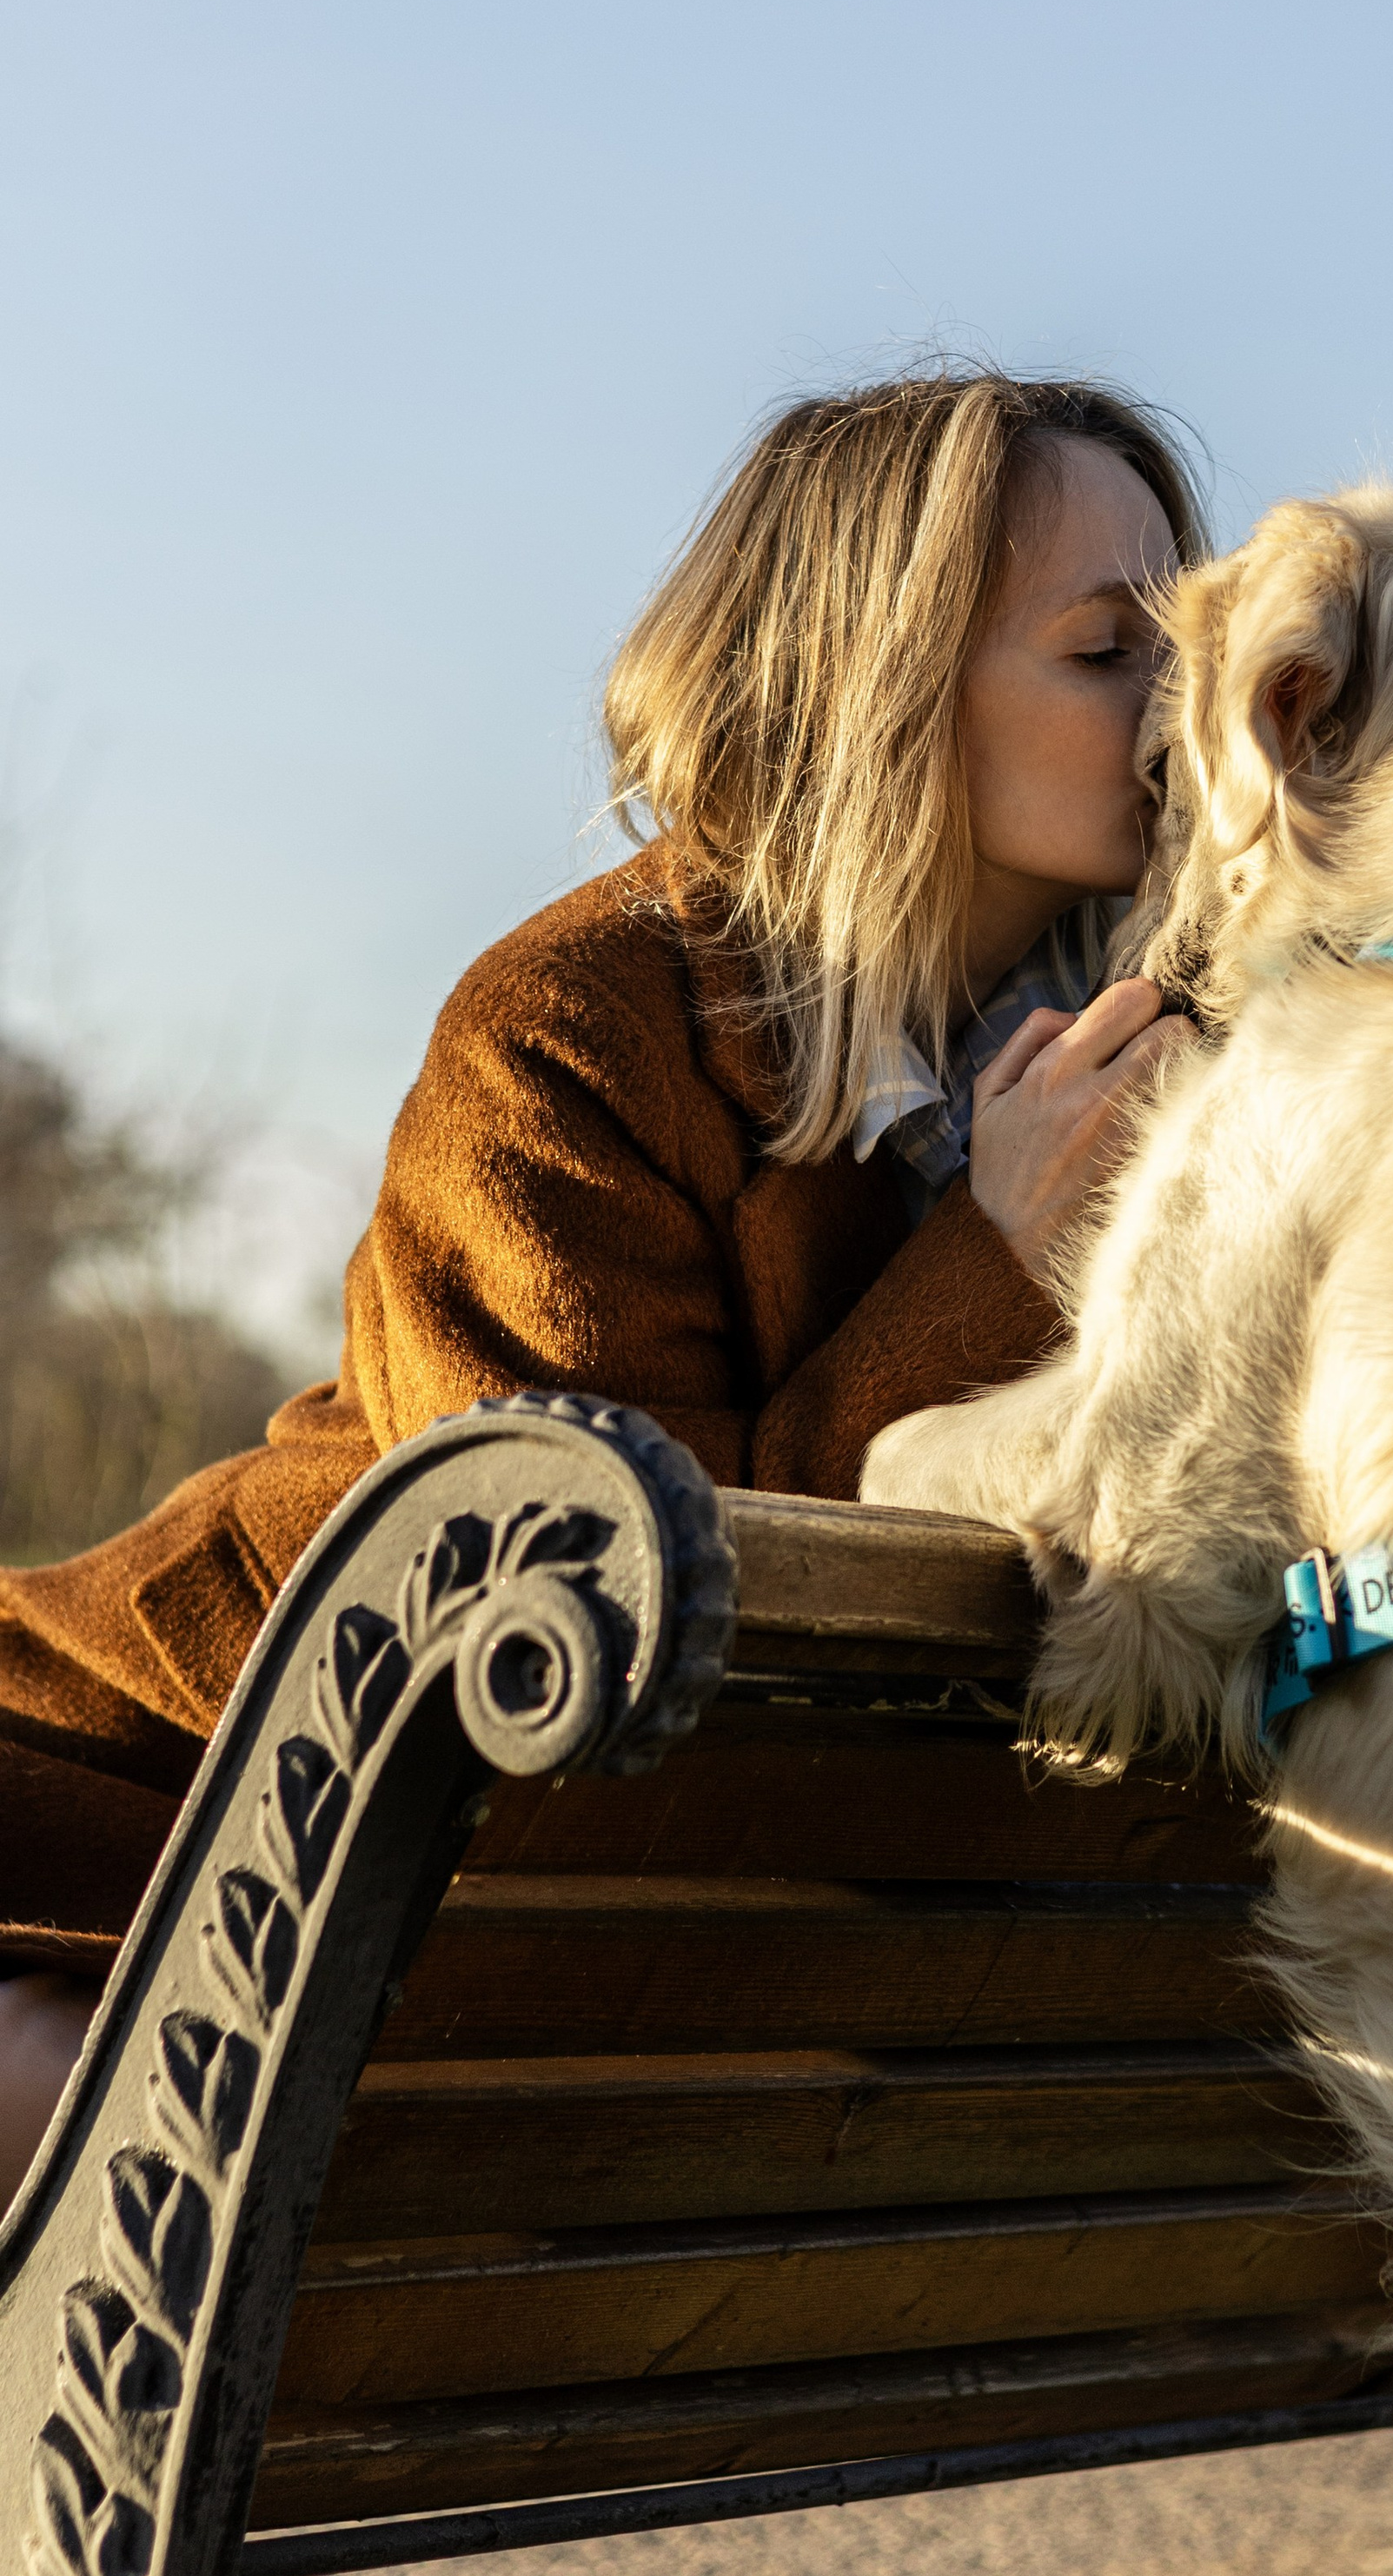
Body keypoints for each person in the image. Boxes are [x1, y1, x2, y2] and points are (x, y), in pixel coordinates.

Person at [0, 367, 1205, 2197]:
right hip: (154, 1783)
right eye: (1106, 651)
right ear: (870, 680)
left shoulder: (1180, 1068)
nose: (1179, 716)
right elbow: (598, 1628)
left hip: (475, 1926)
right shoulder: (568, 1030)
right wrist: (998, 1259)